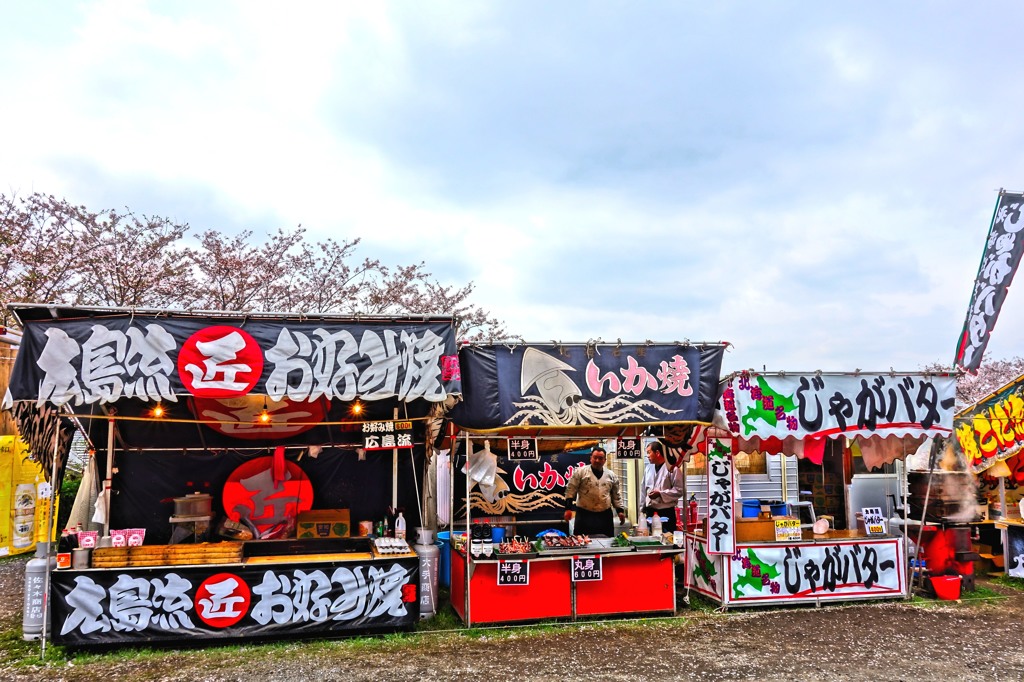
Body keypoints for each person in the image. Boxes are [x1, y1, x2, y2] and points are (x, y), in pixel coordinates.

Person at [563, 446, 625, 537]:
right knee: (582, 542)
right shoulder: (580, 472)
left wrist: (620, 511)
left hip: (604, 515)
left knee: (607, 542)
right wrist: (568, 509)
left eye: (600, 458)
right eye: (595, 457)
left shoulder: (611, 475)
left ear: (604, 460)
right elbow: (571, 490)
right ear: (590, 458)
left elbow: (616, 495)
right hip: (584, 514)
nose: (597, 460)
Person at [642, 441, 683, 532]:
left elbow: (679, 490)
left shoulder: (672, 468)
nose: (647, 456)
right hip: (650, 511)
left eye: (649, 452)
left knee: (667, 539)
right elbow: (643, 490)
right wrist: (642, 509)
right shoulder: (648, 469)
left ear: (657, 453)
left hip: (666, 512)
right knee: (651, 538)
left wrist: (660, 494)